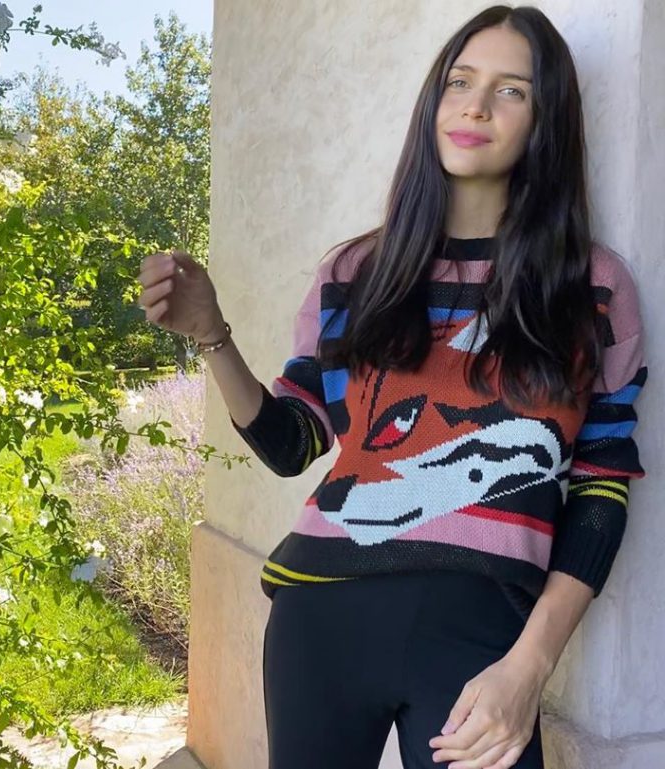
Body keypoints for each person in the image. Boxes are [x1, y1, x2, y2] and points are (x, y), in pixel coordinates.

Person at [137, 5, 648, 769]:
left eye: (511, 90)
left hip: (485, 637)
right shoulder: (355, 274)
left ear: (546, 122)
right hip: (321, 615)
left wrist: (530, 664)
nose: (476, 106)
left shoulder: (593, 288)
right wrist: (213, 334)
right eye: (460, 82)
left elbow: (601, 490)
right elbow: (292, 442)